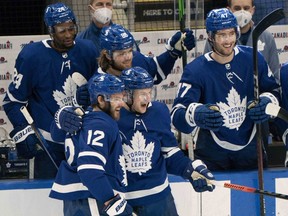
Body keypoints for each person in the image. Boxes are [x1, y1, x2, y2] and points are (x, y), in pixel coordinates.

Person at [171, 8, 280, 171]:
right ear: (210, 36)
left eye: (231, 33)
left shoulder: (253, 58)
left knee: (254, 196)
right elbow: (177, 114)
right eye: (222, 35)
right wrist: (195, 114)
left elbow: (274, 92)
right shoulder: (195, 70)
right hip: (211, 151)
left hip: (250, 148)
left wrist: (267, 102)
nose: (228, 40)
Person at [2, 2, 98, 179]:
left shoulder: (88, 50)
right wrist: (23, 130)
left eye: (71, 28)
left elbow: (102, 93)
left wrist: (93, 93)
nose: (69, 35)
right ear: (51, 31)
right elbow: (12, 102)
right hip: (49, 145)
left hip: (85, 141)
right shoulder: (31, 56)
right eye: (62, 31)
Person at [51, 23, 195, 140]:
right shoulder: (97, 85)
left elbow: (156, 71)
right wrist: (72, 109)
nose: (128, 57)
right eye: (121, 54)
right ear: (107, 54)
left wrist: (172, 52)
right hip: (118, 145)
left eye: (129, 51)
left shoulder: (137, 59)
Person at [118, 67, 215, 215]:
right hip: (124, 203)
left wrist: (190, 170)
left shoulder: (159, 112)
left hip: (160, 201)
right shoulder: (112, 117)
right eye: (142, 94)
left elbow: (170, 153)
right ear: (127, 94)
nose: (148, 98)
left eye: (149, 92)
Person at [50, 73, 133, 216]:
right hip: (93, 198)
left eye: (122, 97)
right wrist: (111, 200)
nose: (121, 103)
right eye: (116, 99)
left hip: (83, 198)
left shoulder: (85, 118)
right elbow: (89, 169)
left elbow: (56, 134)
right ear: (100, 100)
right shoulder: (100, 124)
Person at [203, 0, 280, 82]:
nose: (242, 12)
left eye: (246, 8)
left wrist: (268, 94)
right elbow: (206, 72)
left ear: (252, 10)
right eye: (237, 8)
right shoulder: (216, 39)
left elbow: (275, 77)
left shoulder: (266, 37)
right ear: (229, 10)